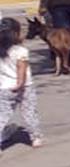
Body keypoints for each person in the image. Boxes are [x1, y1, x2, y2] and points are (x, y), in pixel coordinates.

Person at [0, 17, 43, 152]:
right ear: (15, 34)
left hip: (4, 87)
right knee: (29, 112)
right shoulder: (20, 51)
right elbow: (21, 68)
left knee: (2, 115)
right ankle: (35, 137)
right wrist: (20, 83)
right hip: (24, 87)